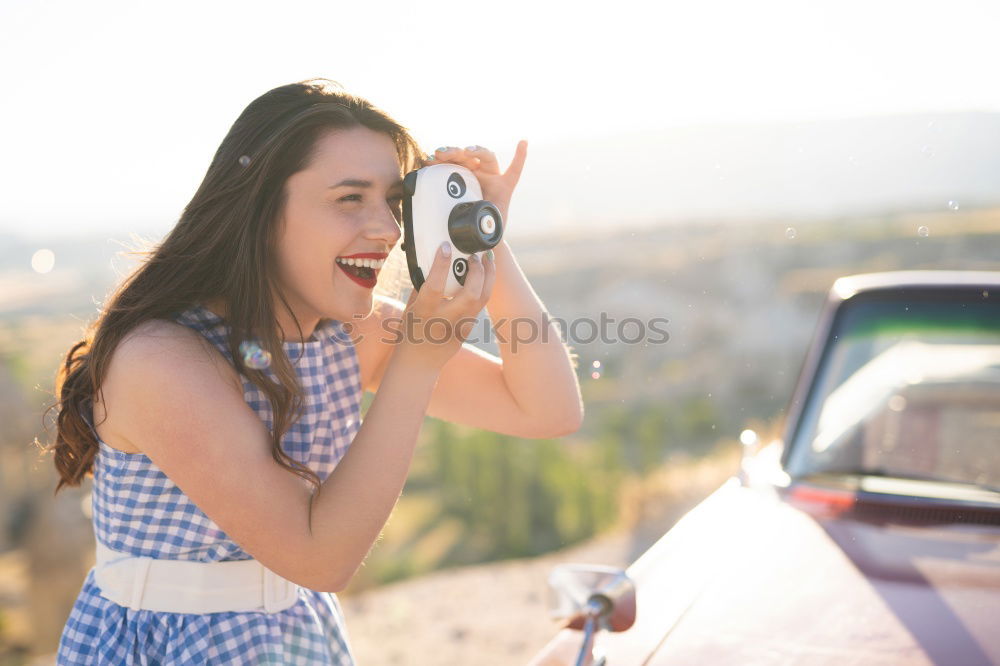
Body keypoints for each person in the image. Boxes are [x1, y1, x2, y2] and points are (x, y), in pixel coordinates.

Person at [44, 78, 583, 664]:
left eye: (394, 203)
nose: (386, 229)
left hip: (296, 638)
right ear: (258, 208)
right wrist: (417, 362)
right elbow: (321, 558)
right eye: (349, 198)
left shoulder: (346, 333)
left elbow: (548, 409)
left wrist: (483, 235)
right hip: (172, 646)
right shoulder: (161, 359)